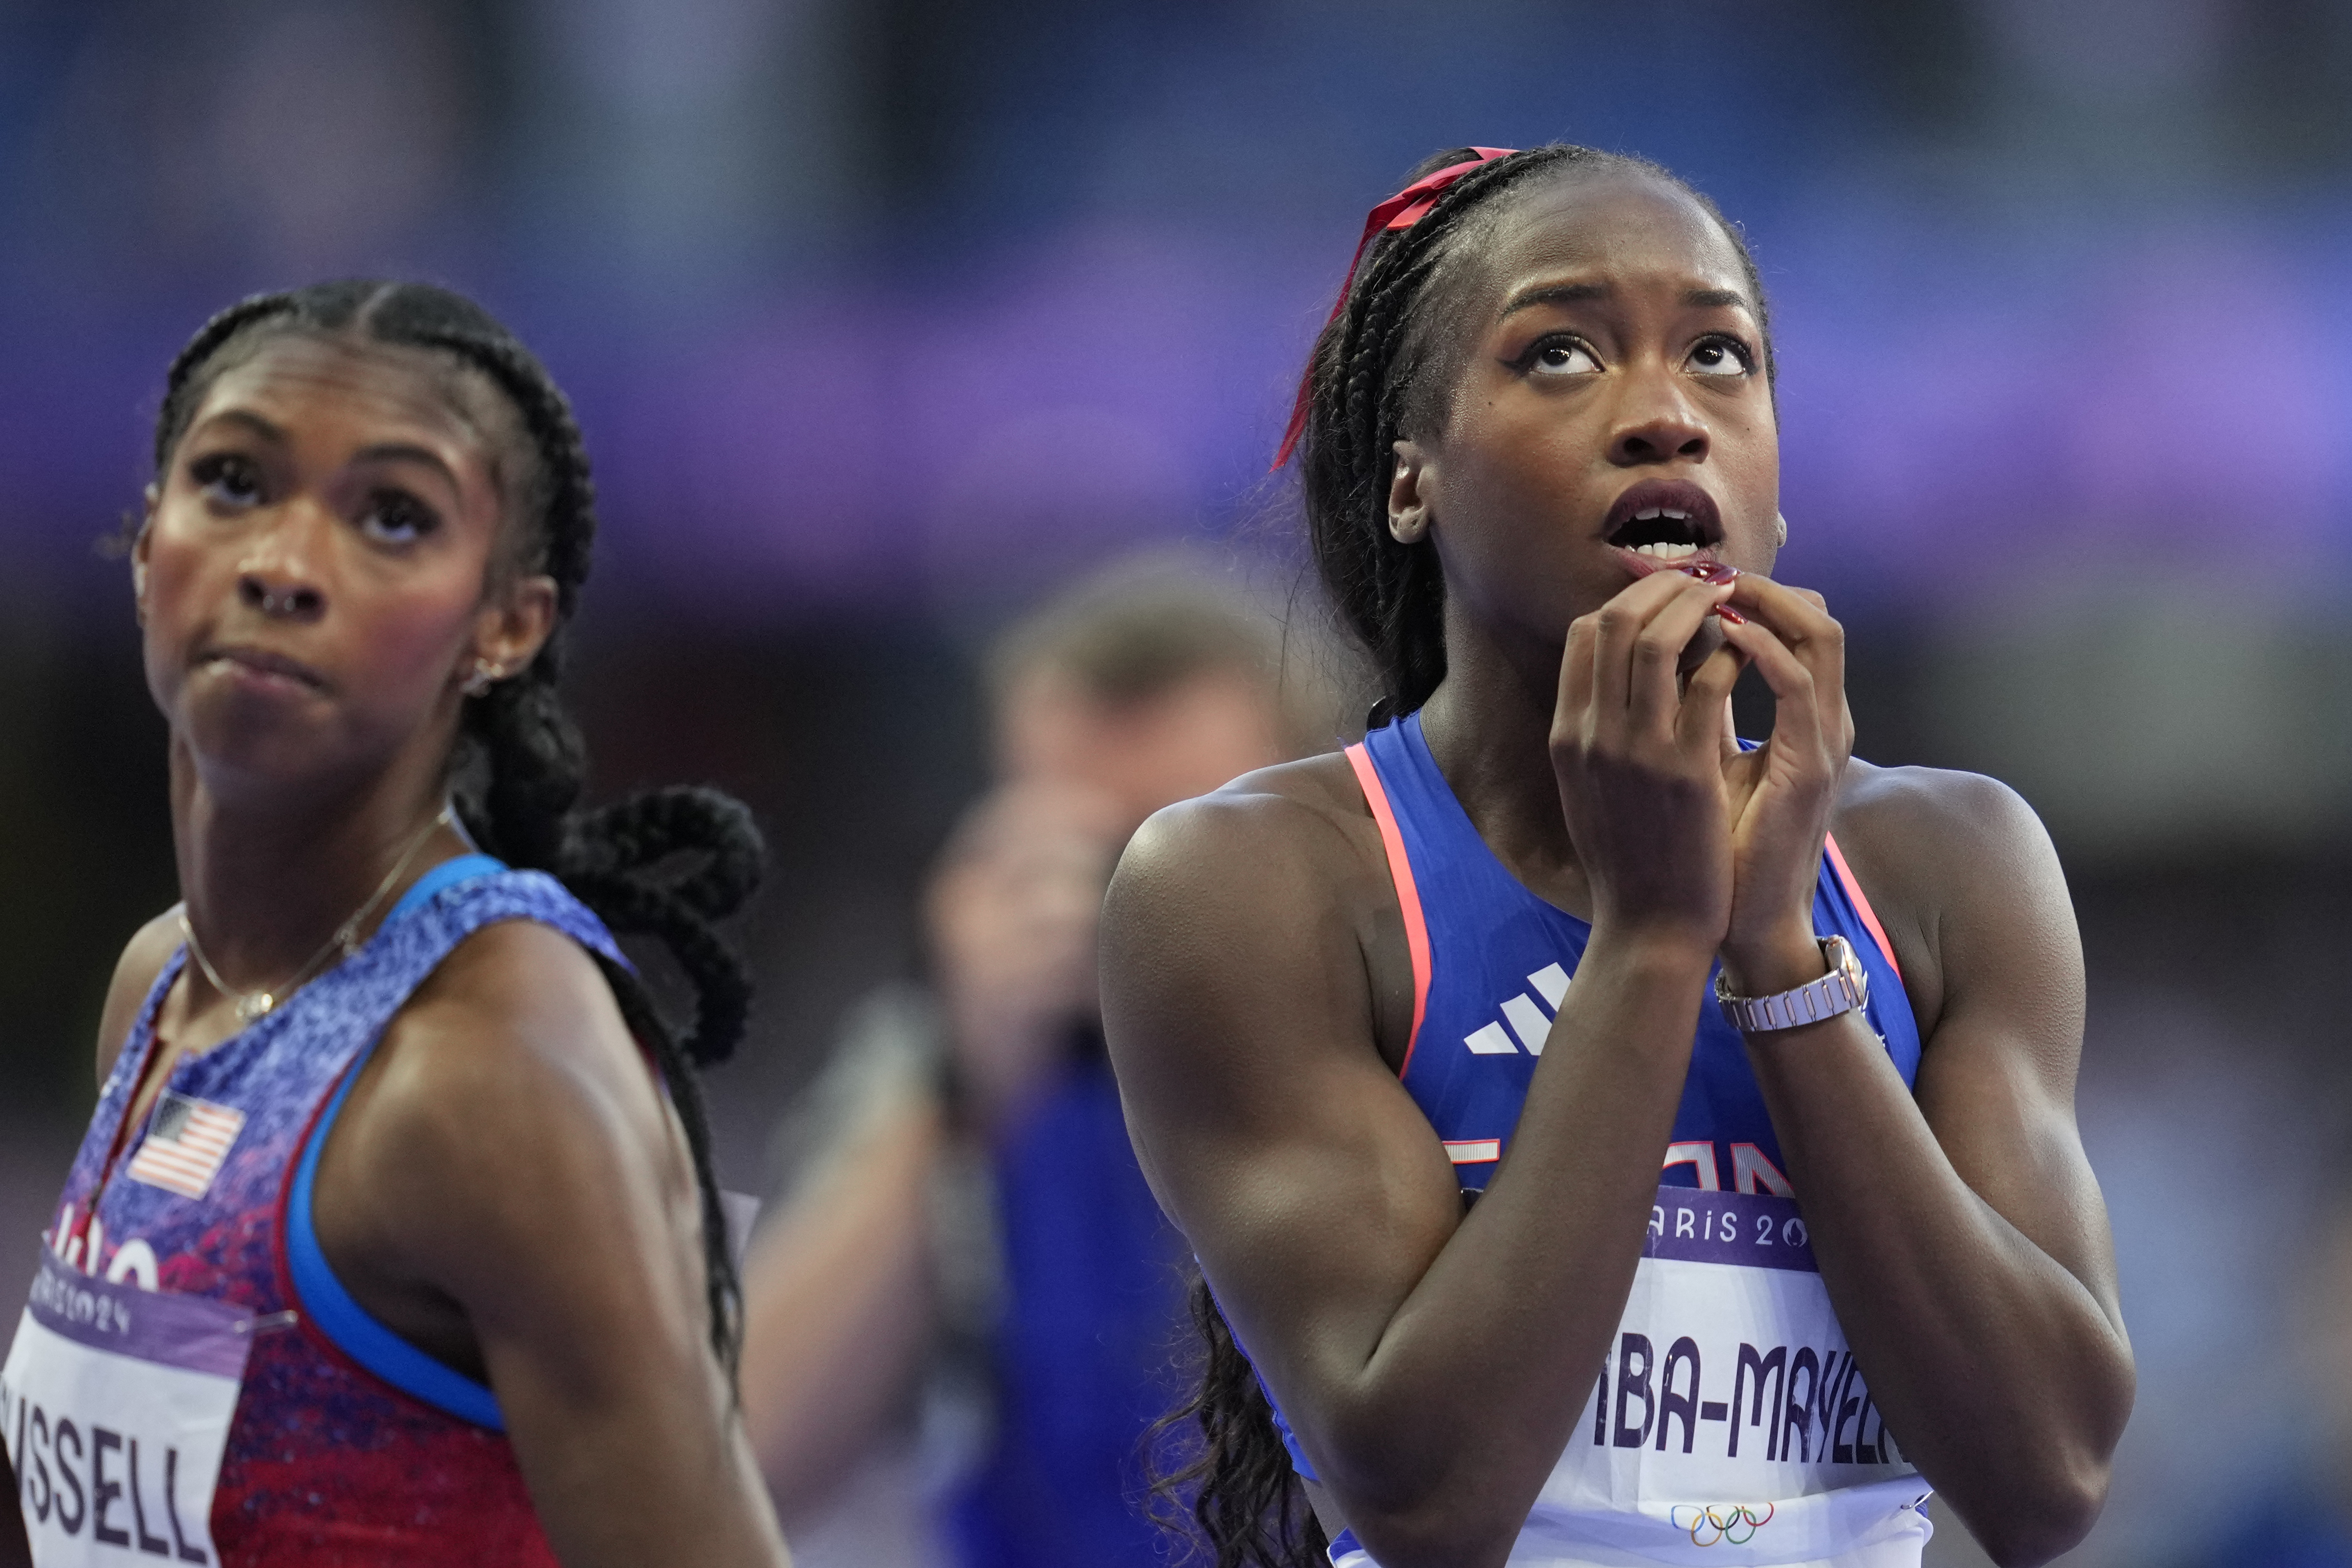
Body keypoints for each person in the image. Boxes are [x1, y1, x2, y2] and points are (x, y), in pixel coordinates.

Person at [1100, 145, 2135, 1568]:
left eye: (1720, 354)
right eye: (1561, 353)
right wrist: (1654, 939)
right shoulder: (1259, 883)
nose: (1665, 415)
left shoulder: (1949, 863)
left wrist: (1775, 952)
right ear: (1413, 478)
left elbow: (2047, 1479)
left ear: (1776, 479)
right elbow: (1432, 1498)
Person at [0, 280, 792, 1567]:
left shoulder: (481, 1067)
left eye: (392, 516)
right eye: (236, 482)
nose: (283, 566)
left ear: (504, 626)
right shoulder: (163, 986)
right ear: (150, 547)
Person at [735, 564, 1316, 1568]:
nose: (1129, 900)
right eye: (1084, 849)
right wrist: (964, 1091)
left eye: (1179, 836)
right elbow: (750, 1459)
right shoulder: (949, 1058)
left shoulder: (1425, 1033)